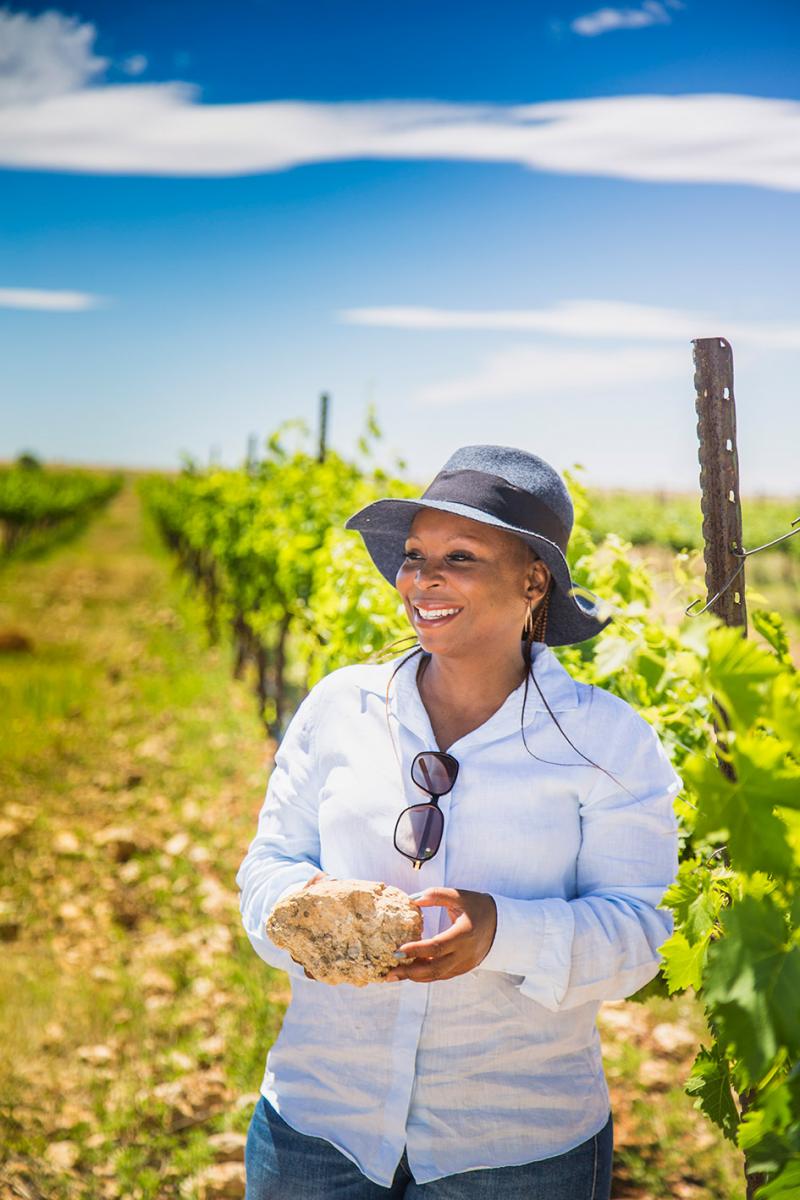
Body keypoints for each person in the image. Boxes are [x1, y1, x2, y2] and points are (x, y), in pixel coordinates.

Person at [236, 444, 682, 1200]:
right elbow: (267, 862)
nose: (422, 579)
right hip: (318, 1123)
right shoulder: (342, 707)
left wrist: (499, 933)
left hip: (517, 1147)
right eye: (415, 556)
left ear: (533, 580)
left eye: (461, 557)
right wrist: (310, 918)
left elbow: (639, 935)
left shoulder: (609, 742)